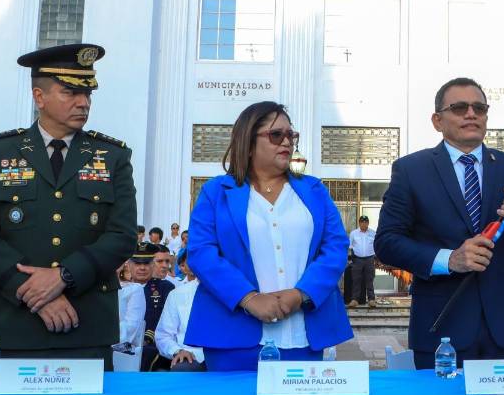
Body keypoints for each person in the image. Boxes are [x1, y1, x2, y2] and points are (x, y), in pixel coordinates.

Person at [0, 43, 137, 369]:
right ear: (39, 97)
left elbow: (122, 235)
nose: (83, 102)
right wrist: (34, 293)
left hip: (86, 322)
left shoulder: (112, 156)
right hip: (11, 324)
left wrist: (65, 276)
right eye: (70, 92)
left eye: (88, 94)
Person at [375, 77, 504, 370]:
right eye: (460, 107)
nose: (471, 114)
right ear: (437, 120)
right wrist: (449, 259)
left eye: (479, 108)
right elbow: (387, 243)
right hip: (442, 329)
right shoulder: (411, 170)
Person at [186, 101, 352, 370]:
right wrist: (249, 298)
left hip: (303, 336)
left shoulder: (314, 190)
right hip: (232, 336)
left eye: (291, 135)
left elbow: (335, 247)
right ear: (248, 142)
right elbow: (202, 252)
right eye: (276, 135)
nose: (286, 142)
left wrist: (301, 294)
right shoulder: (215, 192)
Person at [155, 251, 205, 371]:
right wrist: (177, 351)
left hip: (226, 355)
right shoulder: (177, 294)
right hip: (191, 356)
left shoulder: (236, 293)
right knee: (183, 367)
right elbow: (163, 335)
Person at [128, 242, 174, 371]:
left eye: (146, 263)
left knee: (148, 353)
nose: (142, 268)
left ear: (152, 265)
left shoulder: (165, 288)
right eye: (137, 263)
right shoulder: (121, 288)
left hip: (151, 342)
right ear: (129, 265)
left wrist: (147, 337)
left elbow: (165, 320)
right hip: (122, 341)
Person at [349, 215, 378, 308]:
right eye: (362, 222)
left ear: (368, 223)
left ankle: (371, 300)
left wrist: (377, 258)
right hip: (357, 259)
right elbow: (349, 246)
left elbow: (377, 245)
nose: (364, 224)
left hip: (370, 259)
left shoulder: (373, 233)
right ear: (359, 223)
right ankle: (355, 300)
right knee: (356, 279)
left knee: (369, 279)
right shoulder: (353, 233)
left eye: (366, 222)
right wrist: (350, 259)